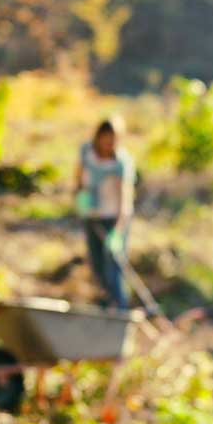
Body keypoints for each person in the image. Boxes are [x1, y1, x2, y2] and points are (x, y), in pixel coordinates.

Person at [74, 116, 135, 311]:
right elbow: (78, 180)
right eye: (106, 139)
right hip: (92, 217)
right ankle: (105, 309)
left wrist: (117, 233)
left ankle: (121, 310)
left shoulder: (121, 163)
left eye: (114, 140)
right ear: (99, 137)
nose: (109, 144)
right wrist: (80, 197)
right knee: (98, 268)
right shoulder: (87, 153)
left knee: (114, 270)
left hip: (114, 220)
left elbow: (125, 203)